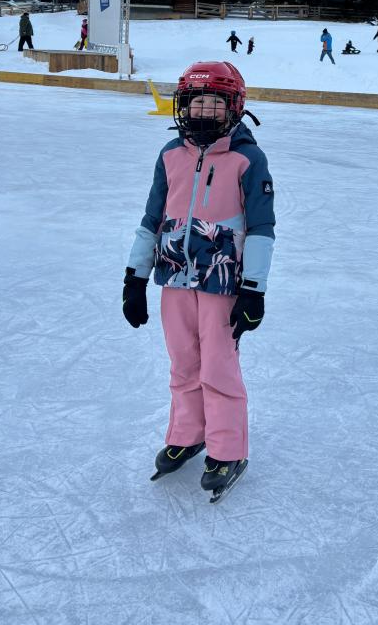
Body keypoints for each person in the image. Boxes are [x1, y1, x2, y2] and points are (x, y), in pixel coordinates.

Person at [122, 61, 275, 499]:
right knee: (183, 363)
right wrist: (135, 278)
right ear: (184, 105)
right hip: (173, 278)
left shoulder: (248, 159)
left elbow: (262, 227)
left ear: (234, 107)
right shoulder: (170, 154)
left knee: (219, 366)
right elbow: (152, 219)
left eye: (215, 103)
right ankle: (188, 434)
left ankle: (228, 448)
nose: (205, 111)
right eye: (197, 101)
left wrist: (254, 290)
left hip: (222, 283)